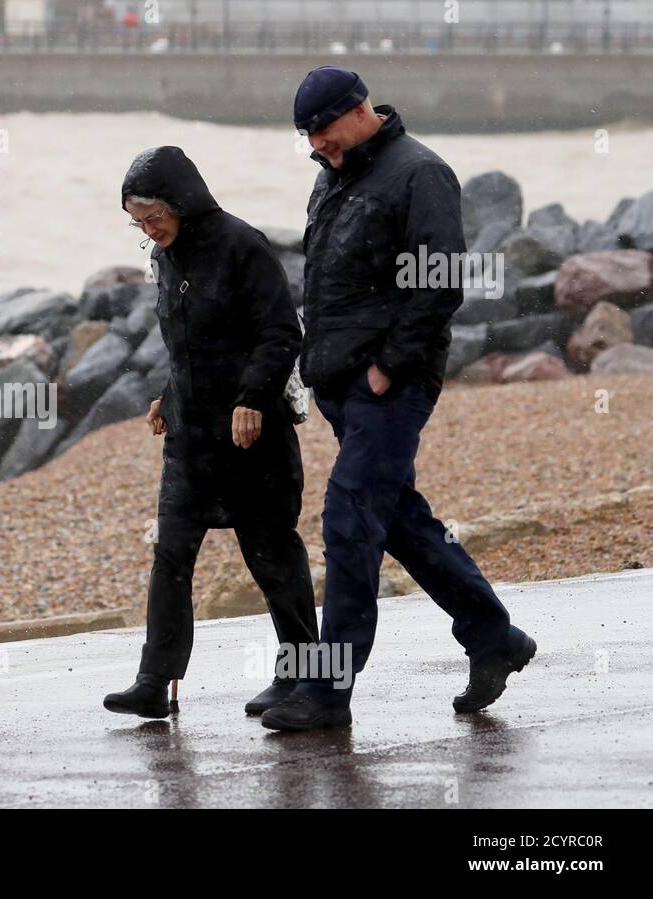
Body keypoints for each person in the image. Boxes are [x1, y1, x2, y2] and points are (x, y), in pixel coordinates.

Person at [261, 67, 537, 732]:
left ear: (357, 111)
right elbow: (325, 280)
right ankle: (494, 635)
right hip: (340, 386)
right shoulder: (334, 177)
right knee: (400, 521)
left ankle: (328, 692)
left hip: (391, 385)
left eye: (322, 132)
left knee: (350, 519)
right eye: (308, 138)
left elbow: (441, 282)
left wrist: (390, 366)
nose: (316, 146)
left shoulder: (420, 173)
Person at [103, 147, 319, 720]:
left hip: (252, 436)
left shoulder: (242, 246)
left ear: (183, 201)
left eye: (155, 216)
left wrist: (252, 399)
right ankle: (155, 679)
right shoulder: (166, 256)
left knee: (270, 552)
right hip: (190, 438)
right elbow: (189, 345)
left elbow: (278, 334)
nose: (150, 230)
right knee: (169, 553)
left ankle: (301, 674)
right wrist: (168, 397)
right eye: (139, 222)